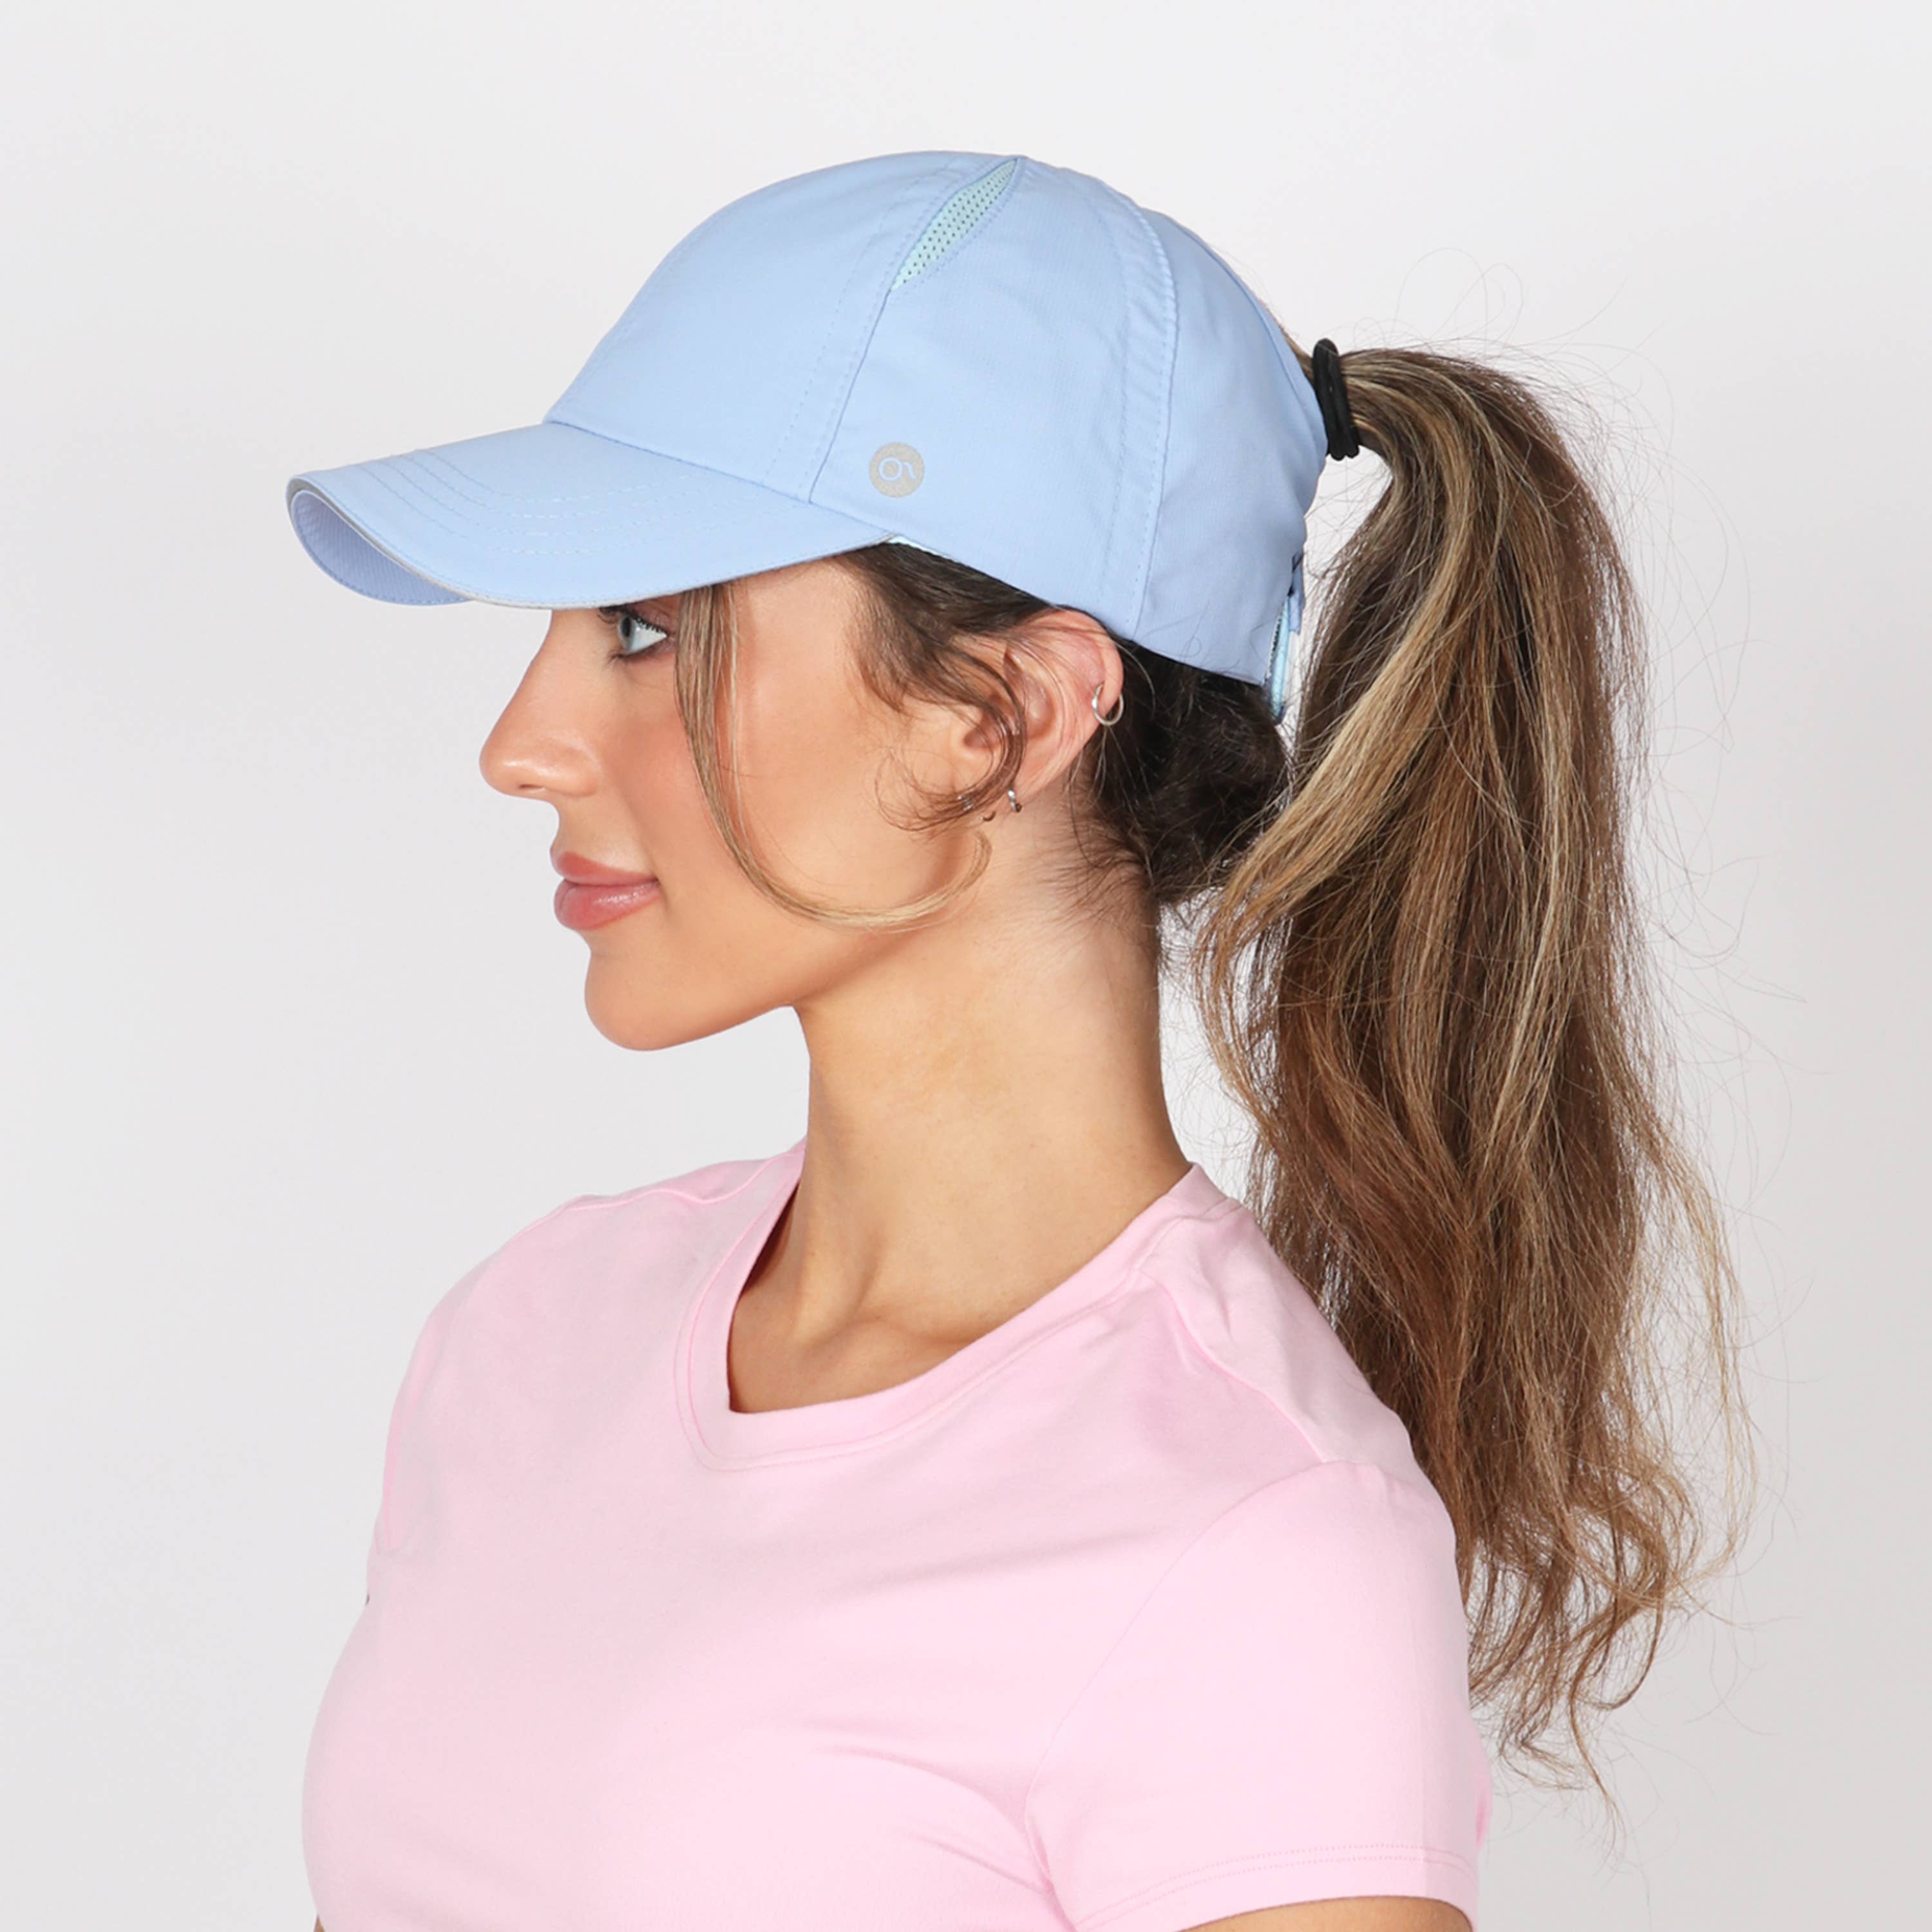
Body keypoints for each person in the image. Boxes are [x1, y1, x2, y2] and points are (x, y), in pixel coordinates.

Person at [285, 151, 1756, 1932]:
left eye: (648, 626)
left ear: (1007, 716)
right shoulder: (533, 1336)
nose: (522, 743)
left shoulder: (1250, 1535)